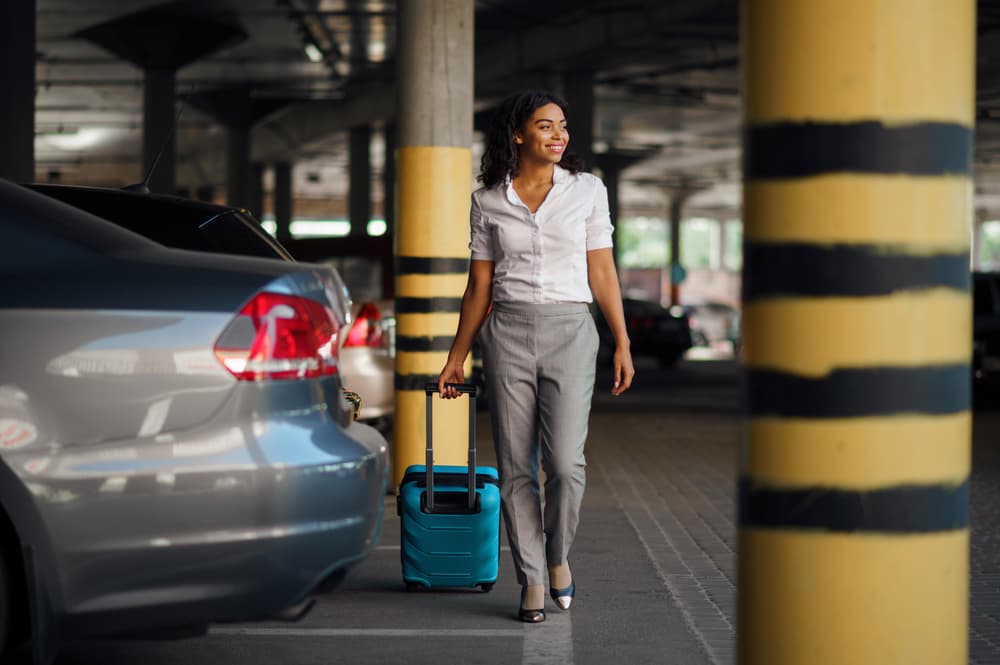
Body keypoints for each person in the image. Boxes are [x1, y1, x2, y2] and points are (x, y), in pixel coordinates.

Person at [437, 89, 635, 623]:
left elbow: (602, 271)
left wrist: (622, 340)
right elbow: (479, 287)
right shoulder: (488, 200)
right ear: (519, 134)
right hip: (506, 334)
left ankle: (557, 556)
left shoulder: (587, 190)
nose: (559, 135)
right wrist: (457, 356)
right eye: (546, 126)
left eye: (563, 126)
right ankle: (530, 577)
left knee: (566, 465)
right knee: (515, 465)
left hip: (572, 330)